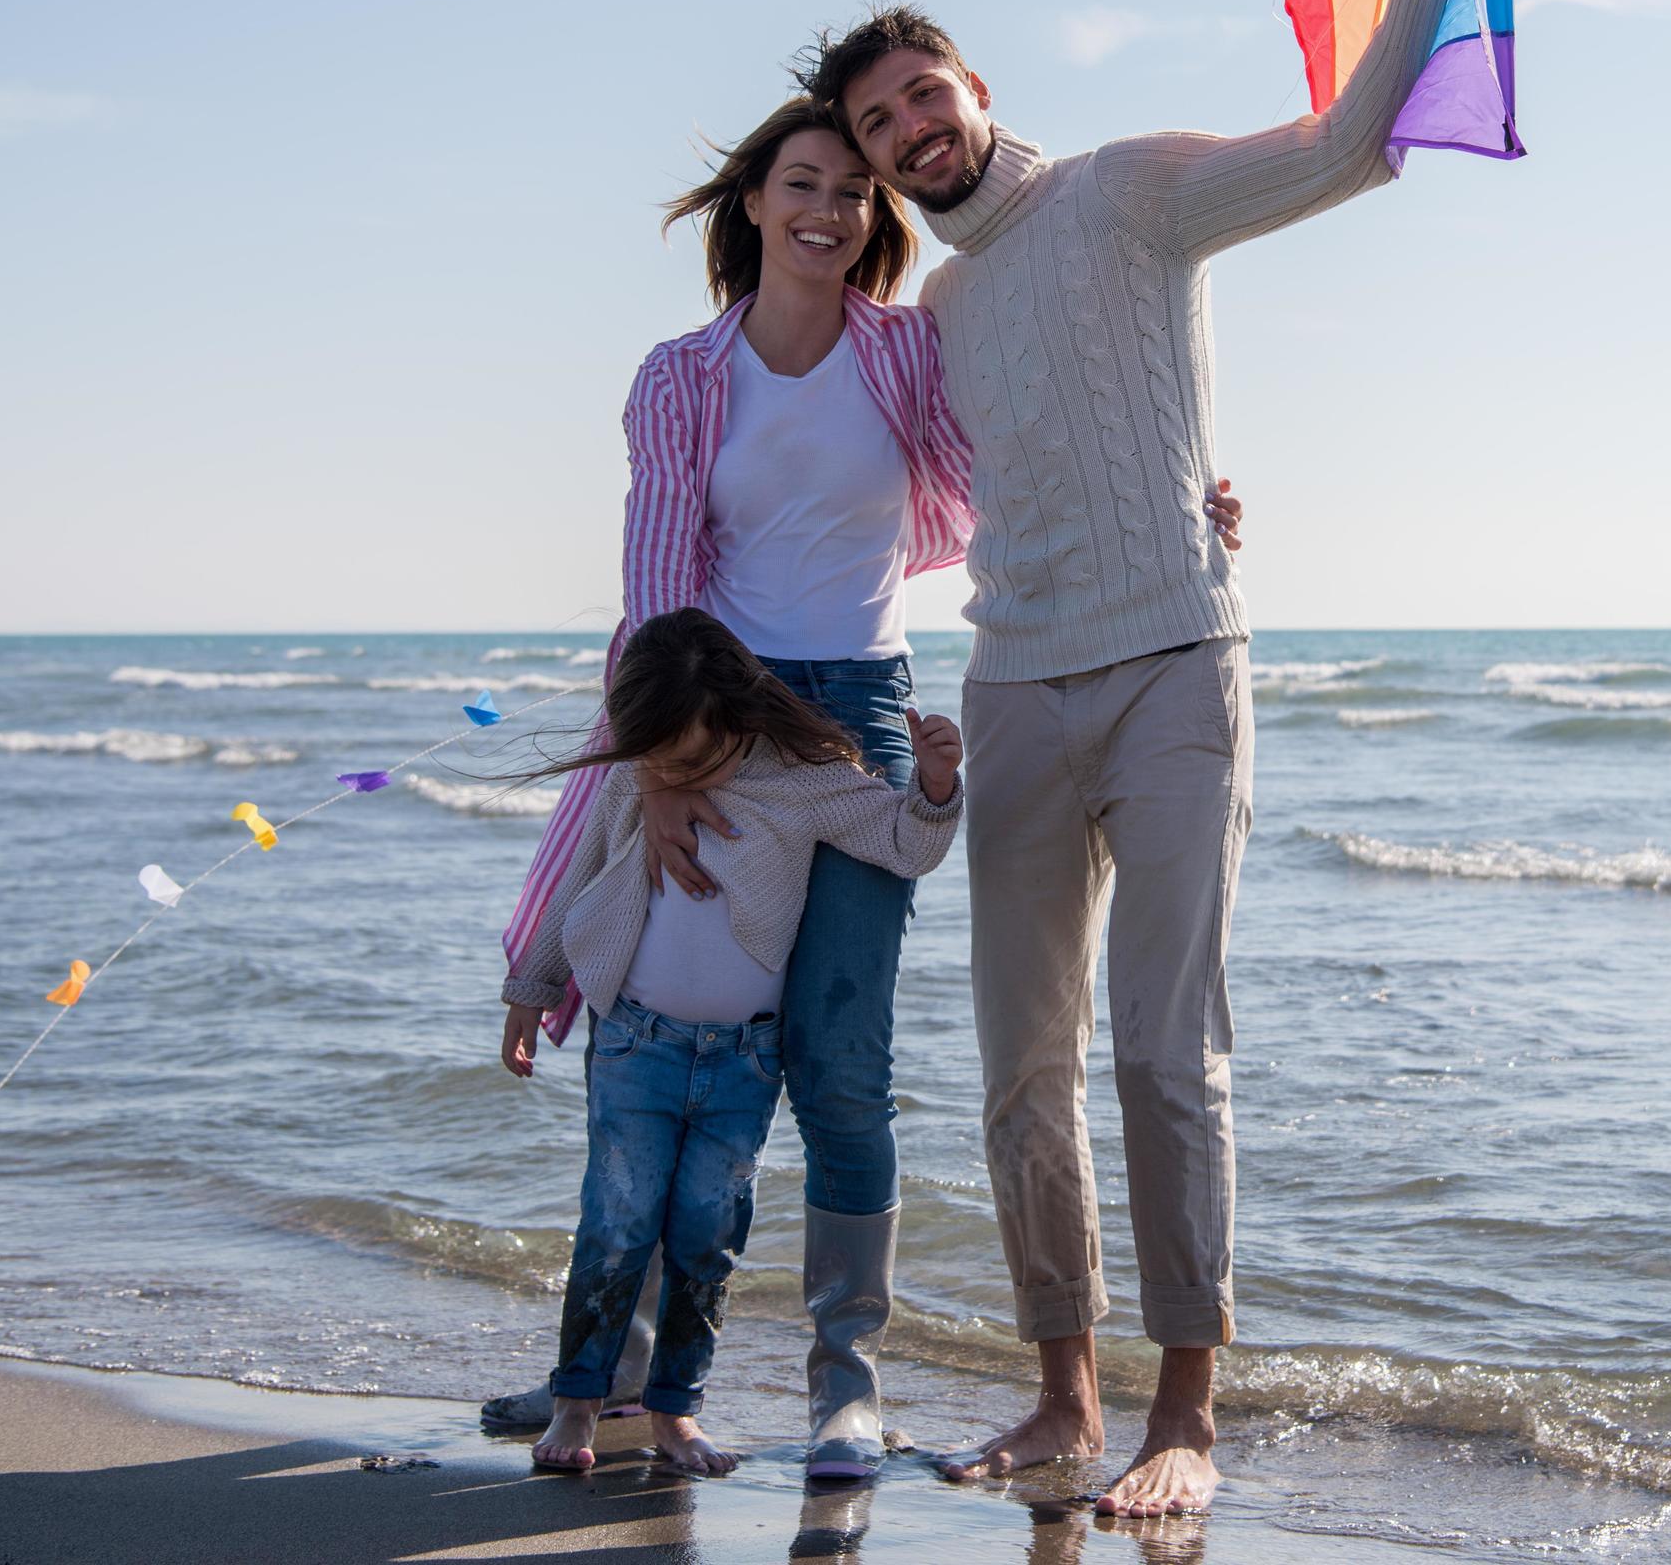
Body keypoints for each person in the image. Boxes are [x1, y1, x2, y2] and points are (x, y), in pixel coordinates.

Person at [797, 0, 1475, 1517]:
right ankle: (1061, 1398)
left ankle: (1188, 1415)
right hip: (1014, 688)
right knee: (1023, 1071)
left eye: (918, 95)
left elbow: (1347, 150)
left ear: (969, 82)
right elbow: (951, 499)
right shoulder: (932, 321)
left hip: (1177, 668)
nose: (906, 130)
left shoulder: (1135, 189)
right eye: (875, 125)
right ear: (872, 166)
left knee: (1167, 1051)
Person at [481, 98, 1247, 1477]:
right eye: (802, 183)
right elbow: (657, 580)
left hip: (859, 726)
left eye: (850, 188)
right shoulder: (679, 376)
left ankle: (845, 1383)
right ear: (756, 203)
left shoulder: (908, 350)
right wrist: (660, 763)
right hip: (713, 720)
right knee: (665, 1042)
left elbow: (1020, 463)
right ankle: (613, 1372)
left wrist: (1185, 493)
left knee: (841, 1071)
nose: (828, 208)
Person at [502, 607, 966, 1475]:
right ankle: (577, 1404)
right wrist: (532, 985)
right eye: (659, 760)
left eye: (690, 757)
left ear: (741, 711)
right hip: (633, 1046)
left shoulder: (806, 777)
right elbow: (582, 880)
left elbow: (903, 845)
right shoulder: (636, 776)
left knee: (706, 1240)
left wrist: (935, 787)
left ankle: (676, 1412)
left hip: (742, 1062)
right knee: (614, 1222)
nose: (672, 775)